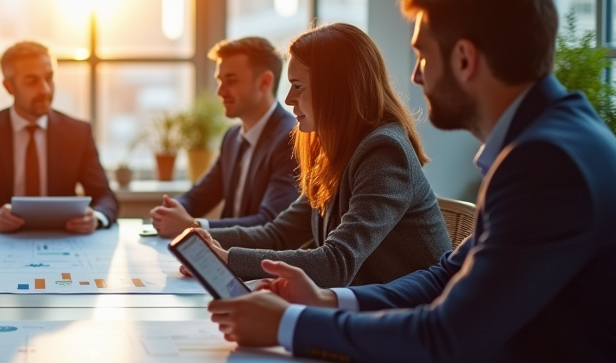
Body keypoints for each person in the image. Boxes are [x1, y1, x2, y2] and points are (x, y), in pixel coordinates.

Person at [207, 0, 616, 363]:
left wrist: (293, 325)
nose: (414, 76)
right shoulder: (544, 142)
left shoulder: (549, 161)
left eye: (422, 56)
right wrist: (329, 301)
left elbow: (447, 337)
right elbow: (447, 274)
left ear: (464, 59)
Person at [192, 22, 452, 288]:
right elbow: (280, 234)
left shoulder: (384, 152)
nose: (289, 99)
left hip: (407, 318)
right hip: (361, 309)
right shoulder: (335, 150)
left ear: (336, 89)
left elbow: (334, 264)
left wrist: (228, 260)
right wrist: (205, 240)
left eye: (298, 86)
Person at [0, 41, 118, 233]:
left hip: (61, 240)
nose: (45, 90)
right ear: (9, 87)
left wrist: (96, 218)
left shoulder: (78, 133)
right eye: (32, 81)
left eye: (49, 78)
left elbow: (106, 197)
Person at [150, 37, 298, 238]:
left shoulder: (291, 139)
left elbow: (270, 221)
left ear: (265, 82)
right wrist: (173, 209)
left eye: (231, 80)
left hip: (262, 264)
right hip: (226, 260)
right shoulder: (232, 137)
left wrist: (193, 225)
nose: (220, 91)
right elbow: (201, 196)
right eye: (220, 80)